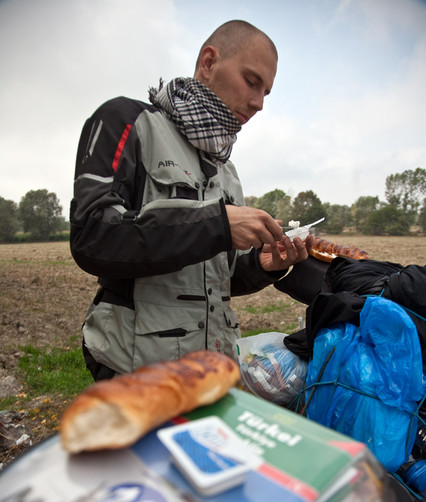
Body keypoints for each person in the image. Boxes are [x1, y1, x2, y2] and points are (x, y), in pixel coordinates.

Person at [70, 19, 313, 380]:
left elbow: (220, 281)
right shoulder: (128, 121)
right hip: (133, 370)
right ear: (208, 62)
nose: (259, 103)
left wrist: (262, 265)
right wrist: (217, 223)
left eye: (266, 93)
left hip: (211, 371)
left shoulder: (227, 171)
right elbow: (92, 235)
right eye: (251, 81)